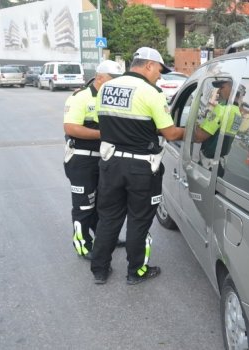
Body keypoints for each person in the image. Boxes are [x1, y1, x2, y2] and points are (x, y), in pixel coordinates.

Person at [91, 47, 185, 285]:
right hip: (141, 168)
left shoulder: (105, 88)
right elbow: (171, 133)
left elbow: (109, 123)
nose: (160, 77)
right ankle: (136, 271)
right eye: (160, 71)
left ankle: (100, 270)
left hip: (110, 164)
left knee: (109, 218)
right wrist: (196, 132)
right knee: (139, 220)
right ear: (149, 65)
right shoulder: (151, 92)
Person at [63, 60, 124, 261]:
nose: (116, 83)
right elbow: (71, 128)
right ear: (99, 77)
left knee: (102, 205)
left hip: (105, 160)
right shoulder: (81, 97)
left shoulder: (113, 98)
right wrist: (105, 134)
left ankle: (104, 238)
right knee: (83, 207)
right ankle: (82, 245)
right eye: (112, 79)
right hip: (82, 161)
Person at [194, 80, 243, 168]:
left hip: (207, 163)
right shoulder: (238, 113)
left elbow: (199, 137)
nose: (219, 91)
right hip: (219, 163)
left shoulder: (222, 108)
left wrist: (191, 127)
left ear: (233, 89)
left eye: (222, 87)